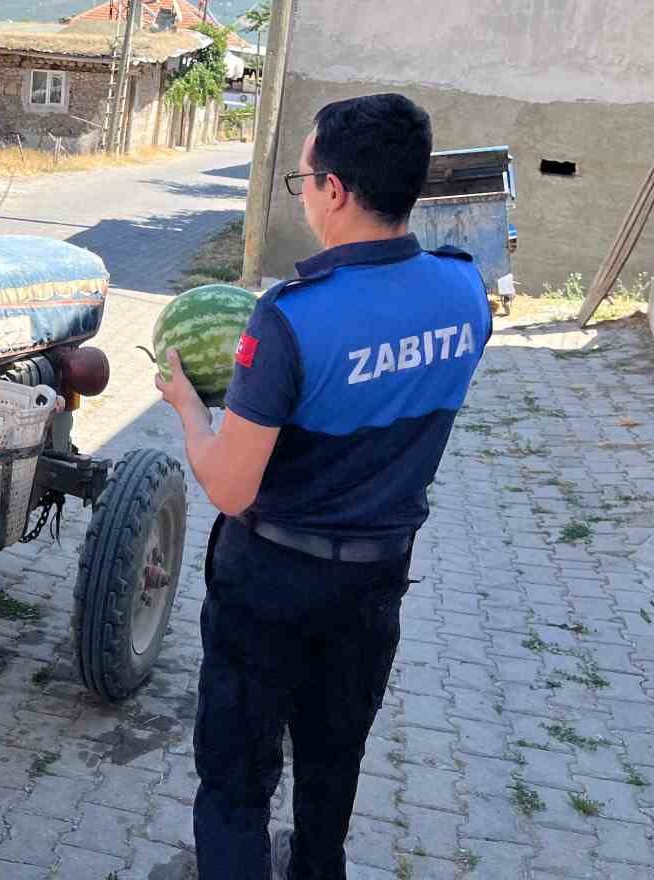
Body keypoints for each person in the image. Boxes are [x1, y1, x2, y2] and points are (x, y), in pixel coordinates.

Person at [155, 93, 491, 880]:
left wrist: (186, 410)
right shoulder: (466, 292)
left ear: (335, 190)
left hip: (271, 582)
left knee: (237, 782)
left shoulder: (290, 320)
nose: (301, 195)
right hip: (376, 582)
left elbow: (231, 489)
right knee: (333, 763)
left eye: (300, 180)